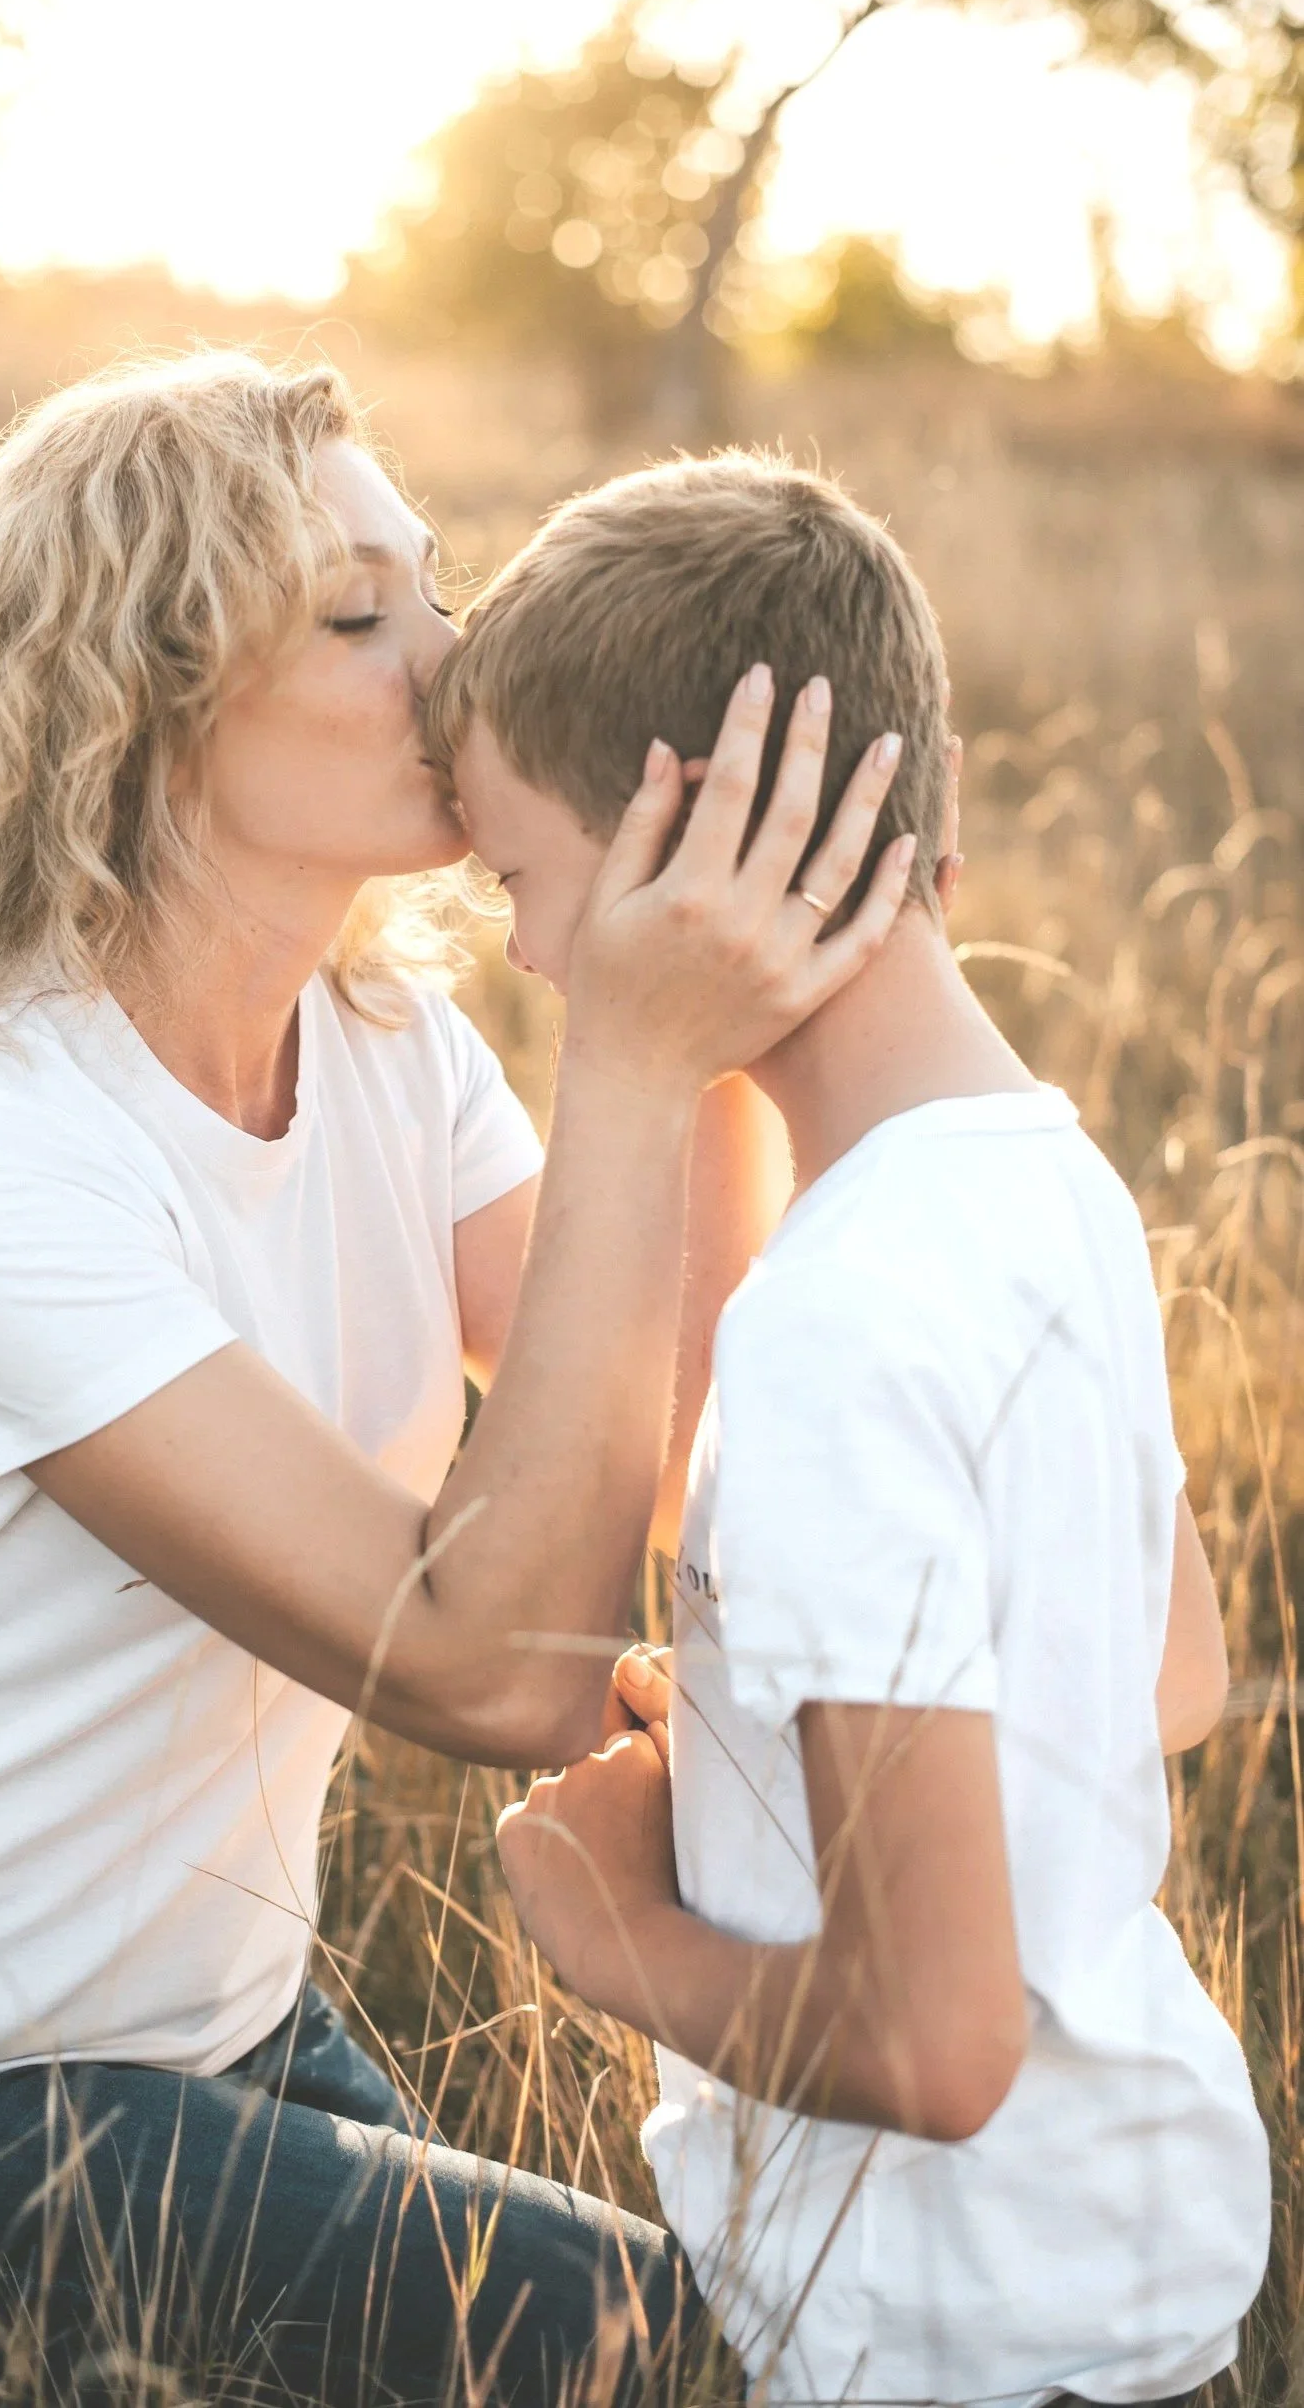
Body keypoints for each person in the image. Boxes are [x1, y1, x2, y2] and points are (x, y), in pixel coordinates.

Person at [0, 355, 914, 2405]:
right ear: (143, 702)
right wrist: (632, 1054)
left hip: (206, 2020)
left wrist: (705, 967)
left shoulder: (392, 1052)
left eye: (436, 585)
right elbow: (489, 1674)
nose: (454, 655)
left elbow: (689, 1422)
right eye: (360, 616)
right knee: (647, 2347)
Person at [430, 452, 1272, 2408]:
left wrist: (618, 1922)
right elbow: (1171, 1669)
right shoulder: (1039, 1180)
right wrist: (778, 1741)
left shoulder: (840, 1322)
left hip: (947, 2325)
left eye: (520, 880)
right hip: (1113, 2272)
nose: (533, 956)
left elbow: (937, 2043)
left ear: (683, 843)